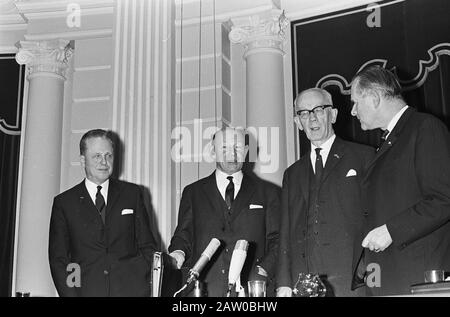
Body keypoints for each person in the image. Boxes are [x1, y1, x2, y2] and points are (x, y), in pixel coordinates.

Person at [350, 65, 450, 295]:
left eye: (356, 102)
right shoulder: (390, 139)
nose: (353, 111)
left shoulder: (425, 128)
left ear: (374, 98)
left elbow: (444, 199)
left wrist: (391, 231)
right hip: (388, 275)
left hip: (418, 278)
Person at [276, 88, 374, 297]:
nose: (312, 118)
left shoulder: (363, 157)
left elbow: (376, 217)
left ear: (334, 115)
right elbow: (286, 231)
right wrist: (284, 282)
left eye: (319, 109)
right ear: (298, 123)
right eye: (304, 113)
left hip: (354, 281)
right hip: (304, 284)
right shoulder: (291, 174)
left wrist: (369, 273)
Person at [168, 127, 280, 297]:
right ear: (213, 152)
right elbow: (183, 236)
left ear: (247, 151)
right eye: (225, 148)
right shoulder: (193, 192)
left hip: (252, 292)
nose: (232, 154)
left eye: (238, 148)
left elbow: (278, 240)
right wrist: (178, 253)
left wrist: (263, 270)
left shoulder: (269, 193)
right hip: (203, 290)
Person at [49, 129, 158, 296]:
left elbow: (147, 247)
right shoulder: (64, 203)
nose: (104, 162)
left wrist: (145, 287)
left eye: (109, 156)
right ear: (83, 160)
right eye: (97, 156)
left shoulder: (132, 194)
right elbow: (60, 260)